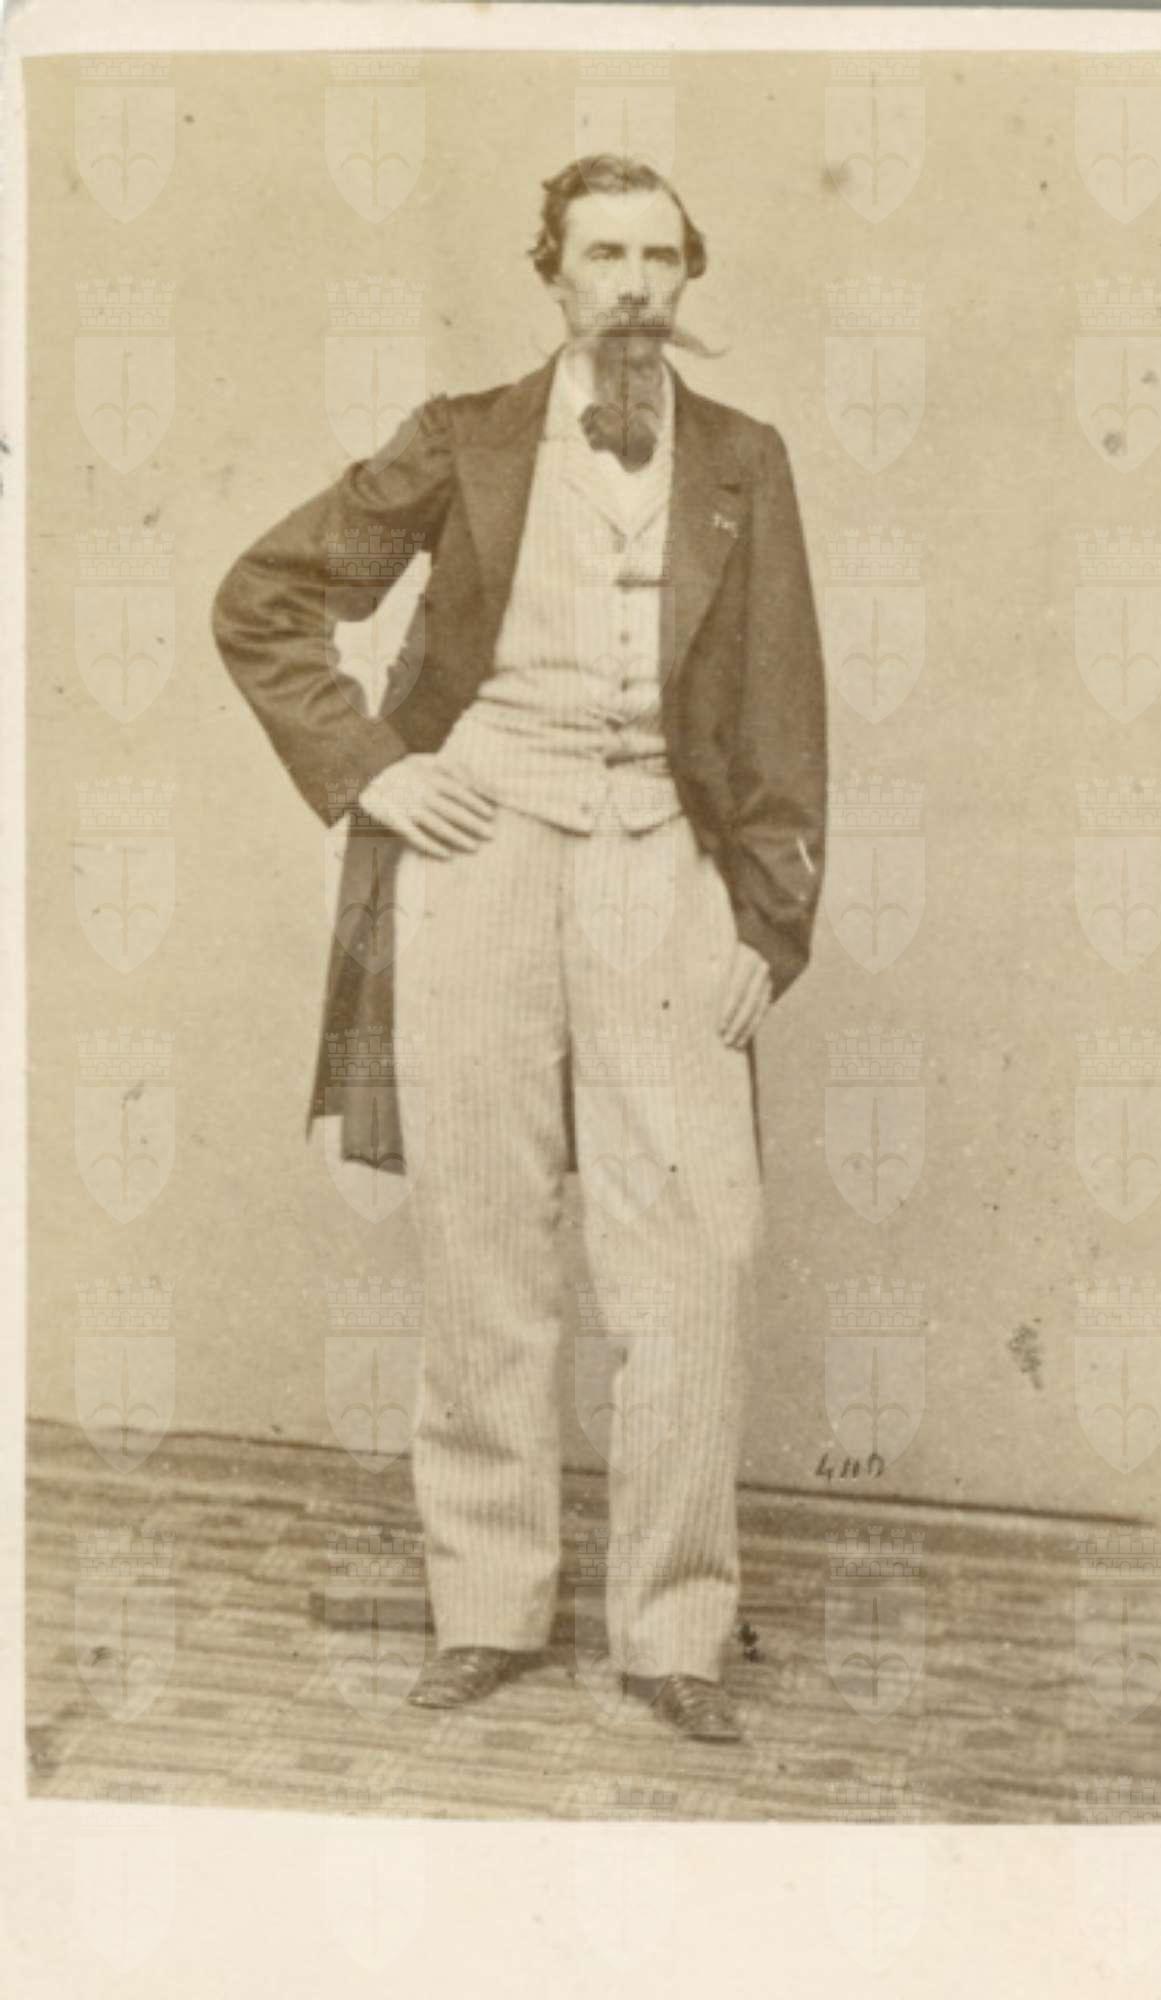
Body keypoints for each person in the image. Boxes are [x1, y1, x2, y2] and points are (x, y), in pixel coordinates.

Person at [211, 155, 828, 1742]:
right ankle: (486, 1606)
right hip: (477, 853)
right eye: (602, 255)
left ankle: (675, 1633)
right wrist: (375, 769)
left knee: (692, 1247)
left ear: (689, 280)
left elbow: (779, 702)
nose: (632, 287)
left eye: (660, 259)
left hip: (664, 861)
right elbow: (264, 600)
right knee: (484, 1235)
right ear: (551, 274)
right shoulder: (463, 438)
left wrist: (771, 923)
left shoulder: (744, 460)